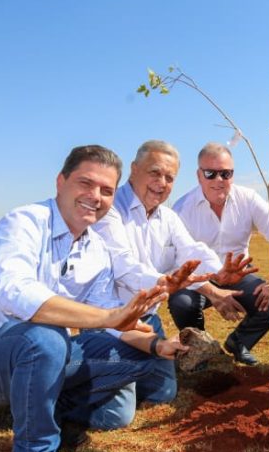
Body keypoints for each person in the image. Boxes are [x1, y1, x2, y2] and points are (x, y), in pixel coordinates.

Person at [0, 145, 191, 452]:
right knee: (45, 337)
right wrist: (108, 317)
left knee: (138, 362)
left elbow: (113, 323)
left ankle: (38, 408)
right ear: (60, 182)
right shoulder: (23, 223)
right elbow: (18, 295)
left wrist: (159, 346)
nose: (95, 197)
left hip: (43, 354)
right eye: (86, 183)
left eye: (106, 191)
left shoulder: (95, 249)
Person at [106, 139, 257, 368]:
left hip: (146, 319)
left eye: (169, 178)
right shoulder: (110, 208)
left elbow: (191, 250)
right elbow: (123, 265)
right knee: (124, 381)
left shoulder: (167, 217)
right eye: (155, 173)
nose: (161, 183)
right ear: (134, 169)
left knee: (163, 391)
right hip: (110, 320)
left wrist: (218, 272)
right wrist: (164, 282)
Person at [171, 142, 269, 365]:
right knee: (182, 303)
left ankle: (239, 342)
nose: (218, 180)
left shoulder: (249, 199)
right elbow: (177, 261)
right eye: (210, 173)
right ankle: (201, 350)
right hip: (200, 279)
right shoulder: (182, 208)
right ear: (199, 175)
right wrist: (213, 292)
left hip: (238, 277)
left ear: (233, 174)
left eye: (226, 173)